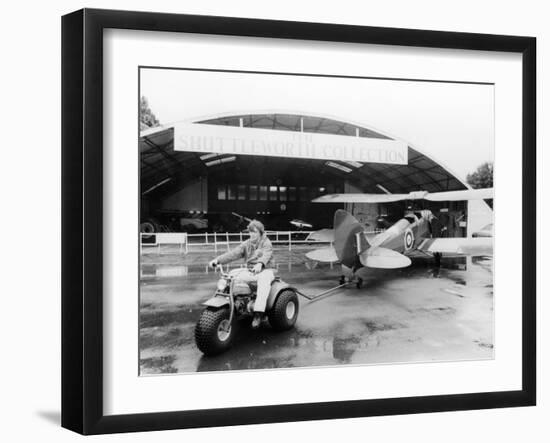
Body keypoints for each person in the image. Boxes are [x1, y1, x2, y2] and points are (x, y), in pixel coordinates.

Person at [208, 220, 275, 329]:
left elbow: (266, 254)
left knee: (264, 280)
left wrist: (260, 264)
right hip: (251, 270)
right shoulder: (247, 244)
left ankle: (258, 313)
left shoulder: (266, 242)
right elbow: (233, 254)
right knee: (230, 275)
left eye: (255, 232)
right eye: (250, 232)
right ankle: (230, 303)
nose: (252, 234)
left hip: (266, 270)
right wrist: (218, 260)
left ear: (261, 233)